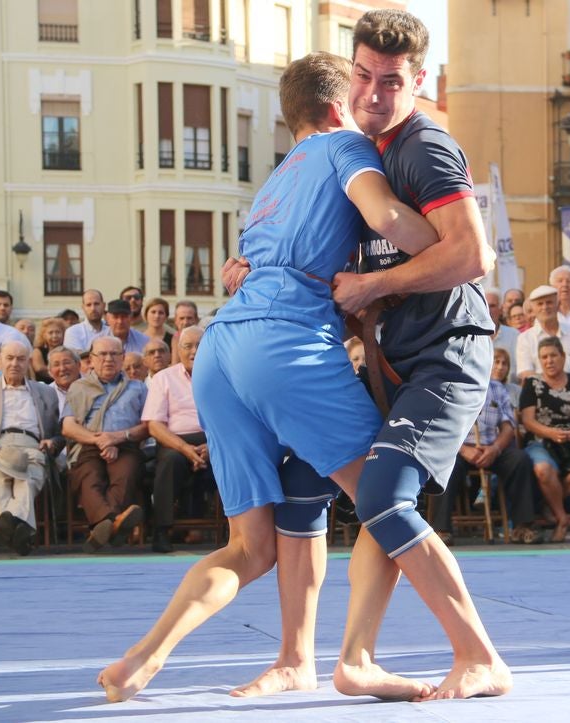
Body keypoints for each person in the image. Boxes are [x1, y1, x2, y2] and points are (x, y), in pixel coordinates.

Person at [100, 46, 508, 703]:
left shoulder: (270, 185)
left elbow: (268, 264)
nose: (369, 102)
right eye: (359, 88)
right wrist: (450, 247)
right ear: (337, 105)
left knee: (252, 542)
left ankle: (145, 659)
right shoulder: (344, 145)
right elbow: (386, 218)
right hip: (283, 346)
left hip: (219, 350)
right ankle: (407, 656)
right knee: (383, 496)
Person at [428, 346, 540, 545]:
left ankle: (523, 527)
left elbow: (508, 427)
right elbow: (440, 426)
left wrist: (495, 449)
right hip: (458, 449)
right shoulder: (451, 385)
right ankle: (441, 530)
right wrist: (464, 450)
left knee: (520, 460)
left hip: (491, 448)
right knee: (445, 465)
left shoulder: (497, 388)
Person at [0, 341, 63, 556]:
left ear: (28, 362)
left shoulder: (46, 392)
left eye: (21, 359)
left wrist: (51, 441)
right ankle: (22, 532)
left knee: (28, 479)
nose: (14, 364)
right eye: (9, 358)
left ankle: (11, 527)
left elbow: (56, 431)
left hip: (32, 445)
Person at [62, 336, 149, 552]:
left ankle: (102, 527)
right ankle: (114, 522)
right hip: (89, 444)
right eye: (102, 354)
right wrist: (100, 440)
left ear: (122, 358)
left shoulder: (138, 388)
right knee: (89, 477)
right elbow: (68, 427)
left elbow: (148, 427)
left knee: (125, 474)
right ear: (91, 359)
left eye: (114, 354)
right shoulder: (78, 387)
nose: (108, 359)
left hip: (126, 444)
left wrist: (118, 437)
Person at [520, 337, 570, 542]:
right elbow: (528, 421)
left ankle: (547, 503)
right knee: (543, 469)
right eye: (544, 357)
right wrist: (550, 433)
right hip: (540, 439)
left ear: (563, 357)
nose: (549, 361)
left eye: (553, 356)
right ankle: (562, 518)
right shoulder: (532, 383)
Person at [141, 326, 211, 554]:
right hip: (174, 441)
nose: (194, 351)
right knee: (171, 461)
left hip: (214, 441)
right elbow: (154, 425)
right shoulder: (164, 378)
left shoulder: (223, 376)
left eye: (200, 345)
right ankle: (162, 530)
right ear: (178, 351)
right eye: (188, 346)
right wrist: (185, 448)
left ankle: (239, 533)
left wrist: (212, 446)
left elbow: (233, 420)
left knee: (234, 460)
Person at [515, 284, 570, 381]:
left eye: (549, 302)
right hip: (541, 389)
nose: (545, 307)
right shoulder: (525, 339)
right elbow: (525, 372)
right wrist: (555, 384)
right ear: (533, 309)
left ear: (558, 305)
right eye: (540, 304)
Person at [63, 289, 111, 353]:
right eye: (88, 305)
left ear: (104, 305)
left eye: (96, 304)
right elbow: (77, 357)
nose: (93, 308)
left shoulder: (111, 329)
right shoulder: (73, 332)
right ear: (83, 308)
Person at [31, 317, 67, 384]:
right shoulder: (38, 351)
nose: (54, 336)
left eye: (58, 332)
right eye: (50, 333)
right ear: (44, 335)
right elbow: (39, 369)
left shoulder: (68, 351)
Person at [46, 346, 80, 410]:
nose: (62, 368)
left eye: (66, 363)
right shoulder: (46, 394)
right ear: (50, 371)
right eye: (56, 365)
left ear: (78, 365)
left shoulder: (92, 387)